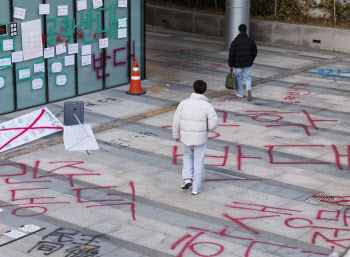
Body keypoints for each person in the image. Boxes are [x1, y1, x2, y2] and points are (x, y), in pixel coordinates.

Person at [172, 80, 219, 195]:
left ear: (193, 89)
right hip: (200, 138)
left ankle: (187, 179)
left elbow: (176, 121)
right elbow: (213, 124)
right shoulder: (207, 106)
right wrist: (206, 129)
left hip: (186, 137)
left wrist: (176, 135)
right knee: (199, 161)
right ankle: (196, 188)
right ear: (204, 91)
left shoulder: (183, 103)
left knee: (188, 156)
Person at [228, 24, 257, 101]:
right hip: (248, 64)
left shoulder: (235, 42)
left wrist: (230, 64)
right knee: (247, 77)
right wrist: (251, 60)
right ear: (246, 31)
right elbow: (255, 52)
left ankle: (240, 93)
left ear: (239, 31)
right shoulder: (251, 41)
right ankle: (248, 90)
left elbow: (231, 54)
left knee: (238, 78)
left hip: (238, 64)